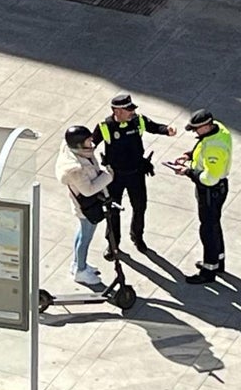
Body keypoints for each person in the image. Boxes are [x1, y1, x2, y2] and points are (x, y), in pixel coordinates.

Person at [92, 93, 177, 255]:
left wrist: (167, 130)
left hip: (136, 173)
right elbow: (92, 144)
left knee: (140, 207)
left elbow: (154, 127)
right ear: (116, 111)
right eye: (127, 110)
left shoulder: (138, 121)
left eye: (132, 109)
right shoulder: (105, 126)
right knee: (112, 210)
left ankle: (137, 237)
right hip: (114, 176)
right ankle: (112, 243)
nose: (132, 112)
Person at [171, 109, 232, 284]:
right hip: (217, 190)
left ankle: (209, 270)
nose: (195, 133)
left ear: (206, 126)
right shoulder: (218, 129)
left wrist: (188, 172)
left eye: (197, 129)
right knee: (214, 225)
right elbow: (202, 145)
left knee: (207, 229)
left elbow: (209, 178)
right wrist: (188, 156)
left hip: (210, 192)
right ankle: (218, 261)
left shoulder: (215, 148)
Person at [56, 125, 114, 286]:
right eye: (88, 140)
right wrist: (108, 175)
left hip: (83, 204)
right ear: (79, 144)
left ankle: (77, 263)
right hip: (86, 206)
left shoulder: (77, 152)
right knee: (86, 236)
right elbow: (88, 190)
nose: (92, 142)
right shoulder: (75, 169)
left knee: (82, 232)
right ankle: (81, 270)